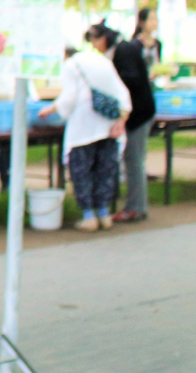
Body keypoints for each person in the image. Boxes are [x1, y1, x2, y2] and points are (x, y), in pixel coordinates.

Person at [39, 24, 131, 231]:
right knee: (104, 171)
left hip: (84, 127)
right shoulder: (100, 60)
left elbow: (69, 99)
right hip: (109, 124)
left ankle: (88, 216)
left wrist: (50, 109)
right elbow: (122, 92)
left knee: (82, 172)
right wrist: (121, 120)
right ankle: (104, 214)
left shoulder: (71, 65)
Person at [111, 7, 159, 223]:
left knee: (134, 159)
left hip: (139, 111)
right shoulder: (133, 46)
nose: (155, 22)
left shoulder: (127, 52)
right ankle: (136, 205)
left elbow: (130, 80)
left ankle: (136, 207)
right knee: (134, 158)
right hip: (140, 109)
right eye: (152, 18)